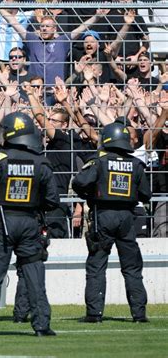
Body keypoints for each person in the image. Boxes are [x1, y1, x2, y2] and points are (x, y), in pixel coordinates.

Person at [0, 112, 59, 336]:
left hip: (3, 223)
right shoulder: (41, 161)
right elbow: (52, 201)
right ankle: (41, 326)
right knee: (34, 275)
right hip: (30, 223)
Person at [72, 121, 152, 323]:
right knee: (132, 267)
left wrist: (89, 193)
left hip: (103, 215)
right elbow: (146, 194)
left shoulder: (99, 161)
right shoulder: (136, 164)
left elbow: (79, 182)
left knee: (97, 265)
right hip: (127, 218)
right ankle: (139, 314)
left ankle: (94, 314)